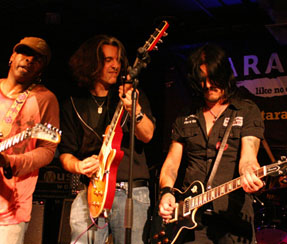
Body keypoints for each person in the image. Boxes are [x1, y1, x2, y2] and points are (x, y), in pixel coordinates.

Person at [158, 43, 265, 243]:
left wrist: (250, 171)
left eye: (213, 78)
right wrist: (166, 193)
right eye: (202, 80)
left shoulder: (245, 111)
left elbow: (248, 157)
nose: (208, 85)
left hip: (233, 215)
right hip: (191, 218)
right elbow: (172, 164)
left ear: (225, 74)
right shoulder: (186, 115)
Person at [58, 35, 155, 244]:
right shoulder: (73, 103)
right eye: (108, 60)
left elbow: (147, 135)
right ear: (91, 63)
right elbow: (65, 153)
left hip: (131, 192)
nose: (115, 66)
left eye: (118, 60)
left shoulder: (131, 95)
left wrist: (135, 110)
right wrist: (78, 165)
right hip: (91, 190)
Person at [0, 37, 59, 244]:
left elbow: (48, 150)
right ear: (12, 57)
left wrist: (12, 162)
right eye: (24, 53)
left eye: (37, 59)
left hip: (10, 211)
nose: (29, 60)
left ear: (41, 68)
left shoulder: (45, 99)